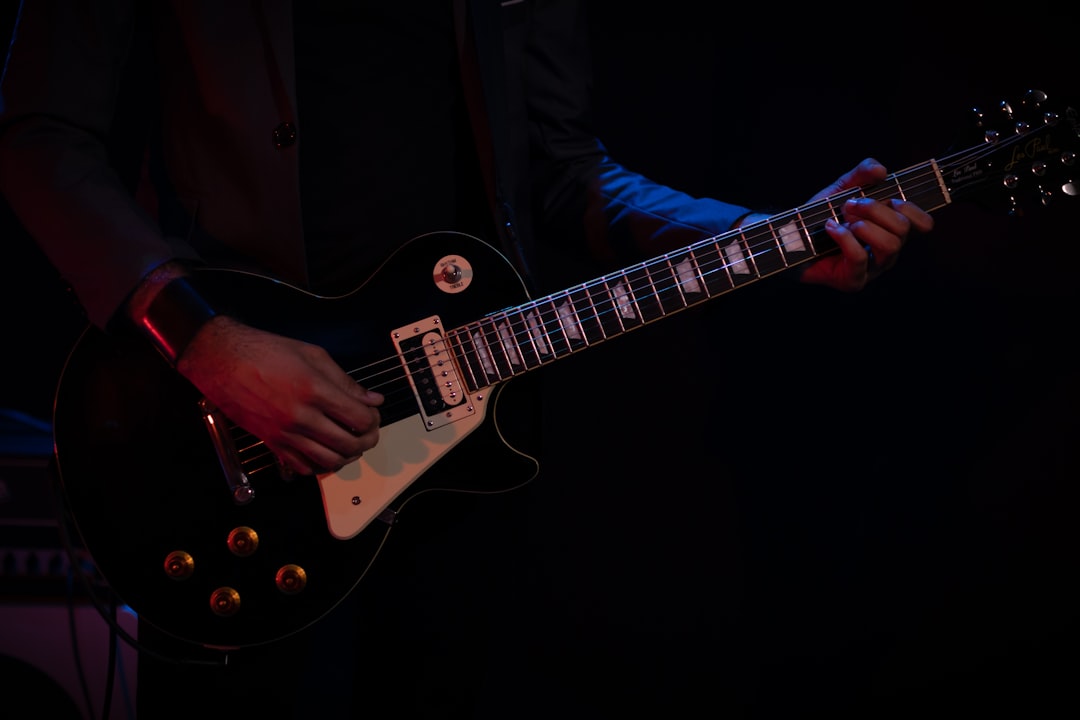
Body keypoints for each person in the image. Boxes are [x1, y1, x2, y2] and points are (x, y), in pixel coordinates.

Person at [0, 1, 933, 718]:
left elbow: (563, 168)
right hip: (234, 446)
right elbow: (41, 140)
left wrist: (766, 236)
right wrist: (203, 339)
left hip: (461, 452)